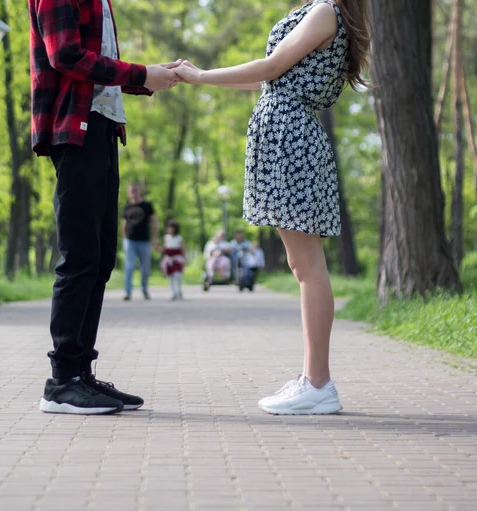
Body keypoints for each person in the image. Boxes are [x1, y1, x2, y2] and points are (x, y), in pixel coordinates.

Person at [175, 0, 371, 415]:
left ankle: (319, 383)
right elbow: (272, 73)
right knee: (303, 266)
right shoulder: (325, 12)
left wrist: (200, 76)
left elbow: (269, 68)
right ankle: (312, 379)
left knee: (308, 267)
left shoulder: (324, 12)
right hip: (286, 135)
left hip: (290, 138)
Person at [29, 0, 181, 415]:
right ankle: (61, 383)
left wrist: (149, 77)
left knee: (99, 260)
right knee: (79, 257)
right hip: (74, 128)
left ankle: (81, 375)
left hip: (101, 127)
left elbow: (99, 64)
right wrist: (140, 73)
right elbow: (65, 56)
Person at [121, 183, 158, 301]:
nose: (133, 193)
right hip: (130, 241)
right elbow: (124, 223)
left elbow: (155, 222)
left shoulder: (147, 205)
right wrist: (124, 238)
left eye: (135, 190)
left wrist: (155, 238)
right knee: (129, 266)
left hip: (144, 241)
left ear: (139, 191)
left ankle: (144, 289)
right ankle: (127, 292)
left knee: (145, 268)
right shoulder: (127, 206)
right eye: (131, 191)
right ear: (128, 192)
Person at [159, 220, 186, 301]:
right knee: (170, 277)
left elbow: (183, 249)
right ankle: (173, 292)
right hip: (169, 258)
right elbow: (164, 248)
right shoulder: (166, 238)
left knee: (177, 275)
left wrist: (184, 259)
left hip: (176, 258)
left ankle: (179, 290)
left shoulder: (179, 238)